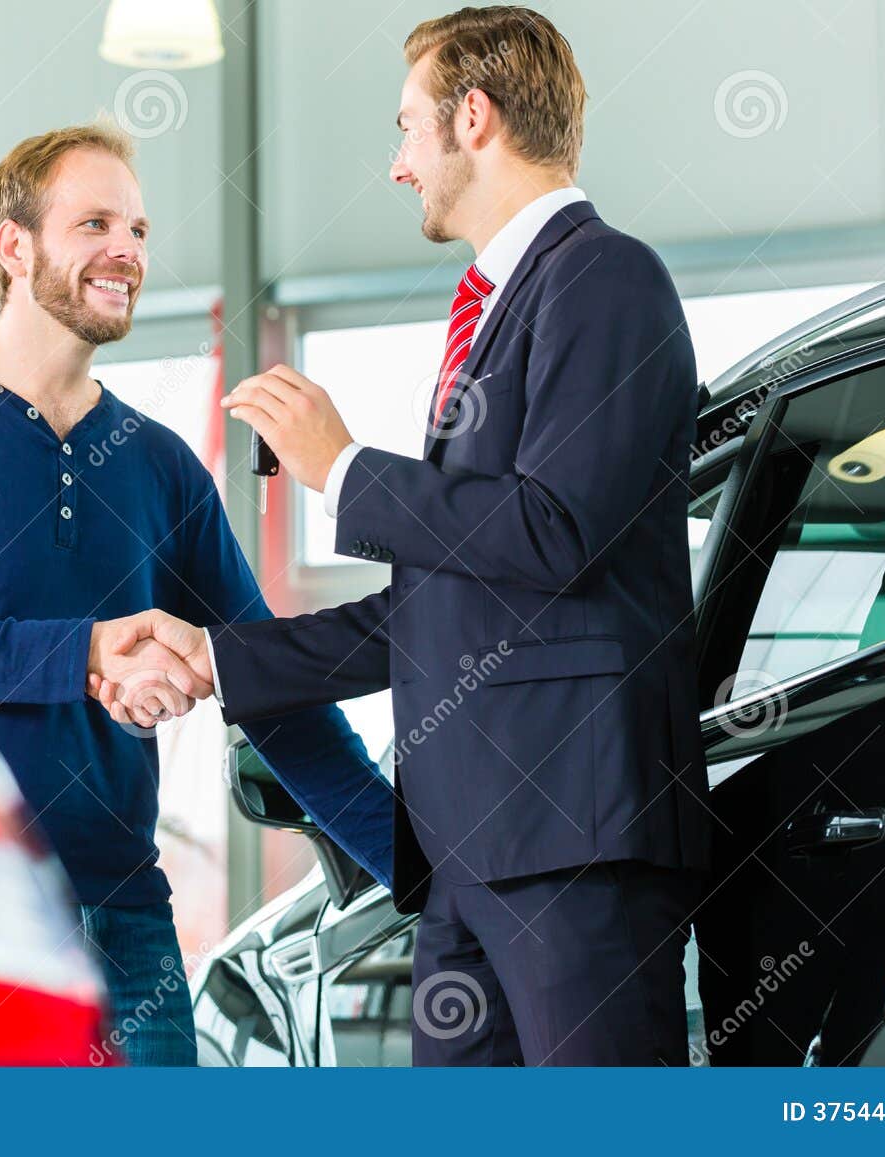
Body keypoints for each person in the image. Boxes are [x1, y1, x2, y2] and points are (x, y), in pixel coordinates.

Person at [99, 6, 711, 1066]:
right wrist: (216, 654)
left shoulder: (604, 278)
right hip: (470, 858)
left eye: (405, 128)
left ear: (472, 117)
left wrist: (340, 464)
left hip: (574, 839)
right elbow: (440, 603)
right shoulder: (492, 307)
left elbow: (554, 529)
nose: (396, 165)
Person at [0, 122, 393, 1067]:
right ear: (15, 244)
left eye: (138, 228)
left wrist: (429, 870)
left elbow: (274, 689)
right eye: (95, 223)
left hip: (128, 925)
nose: (128, 250)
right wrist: (83, 653)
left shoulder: (161, 467)